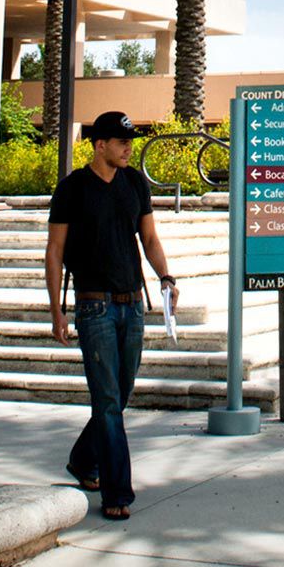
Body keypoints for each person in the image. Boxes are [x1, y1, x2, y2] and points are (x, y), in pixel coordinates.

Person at [44, 110, 179, 520]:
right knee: (106, 400)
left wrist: (167, 276)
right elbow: (54, 253)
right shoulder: (72, 189)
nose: (128, 148)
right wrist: (56, 313)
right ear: (99, 145)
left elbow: (150, 238)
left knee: (118, 396)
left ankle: (84, 461)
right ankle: (117, 492)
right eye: (121, 142)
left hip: (132, 302)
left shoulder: (134, 183)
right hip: (93, 305)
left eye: (130, 142)